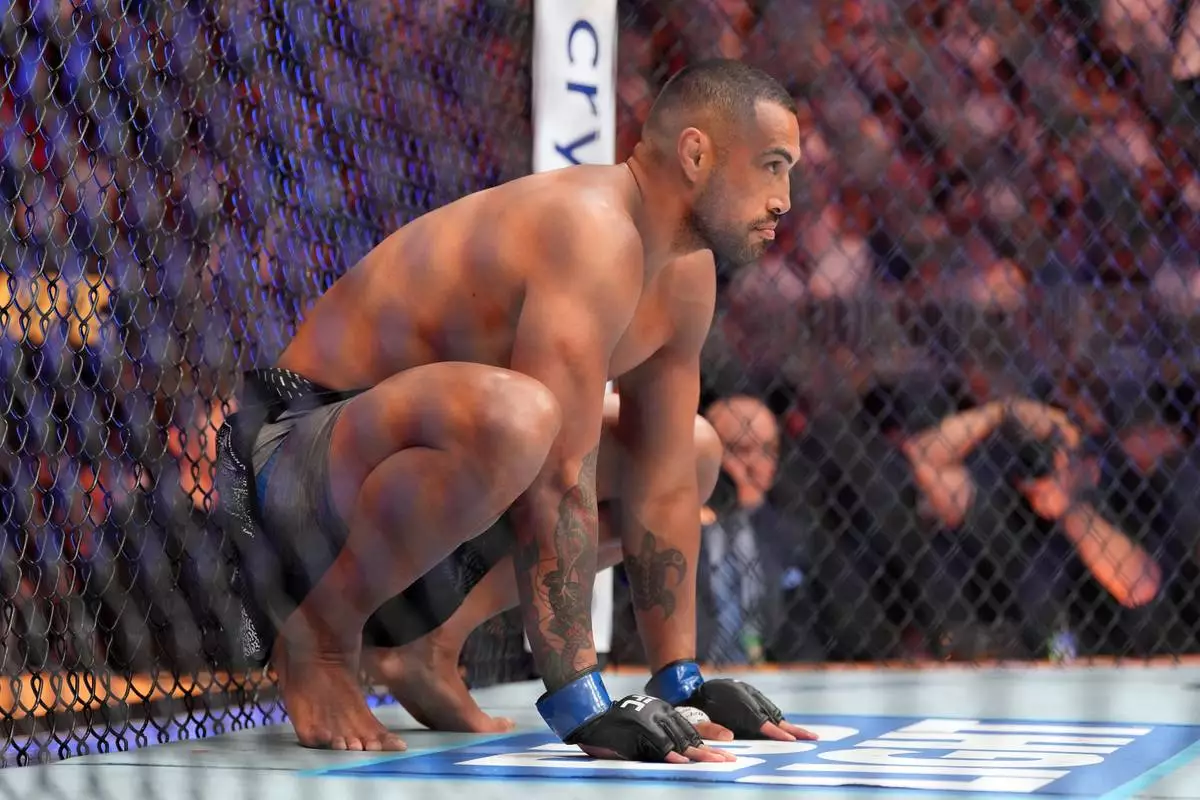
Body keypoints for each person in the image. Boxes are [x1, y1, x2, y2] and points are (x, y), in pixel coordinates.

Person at [214, 58, 810, 763]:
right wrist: (580, 702)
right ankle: (318, 640)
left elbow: (664, 477)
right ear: (696, 153)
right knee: (524, 419)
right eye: (772, 166)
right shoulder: (592, 228)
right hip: (297, 453)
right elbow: (559, 475)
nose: (784, 200)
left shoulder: (687, 274)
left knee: (695, 448)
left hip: (423, 488)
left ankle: (428, 647)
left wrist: (683, 682)